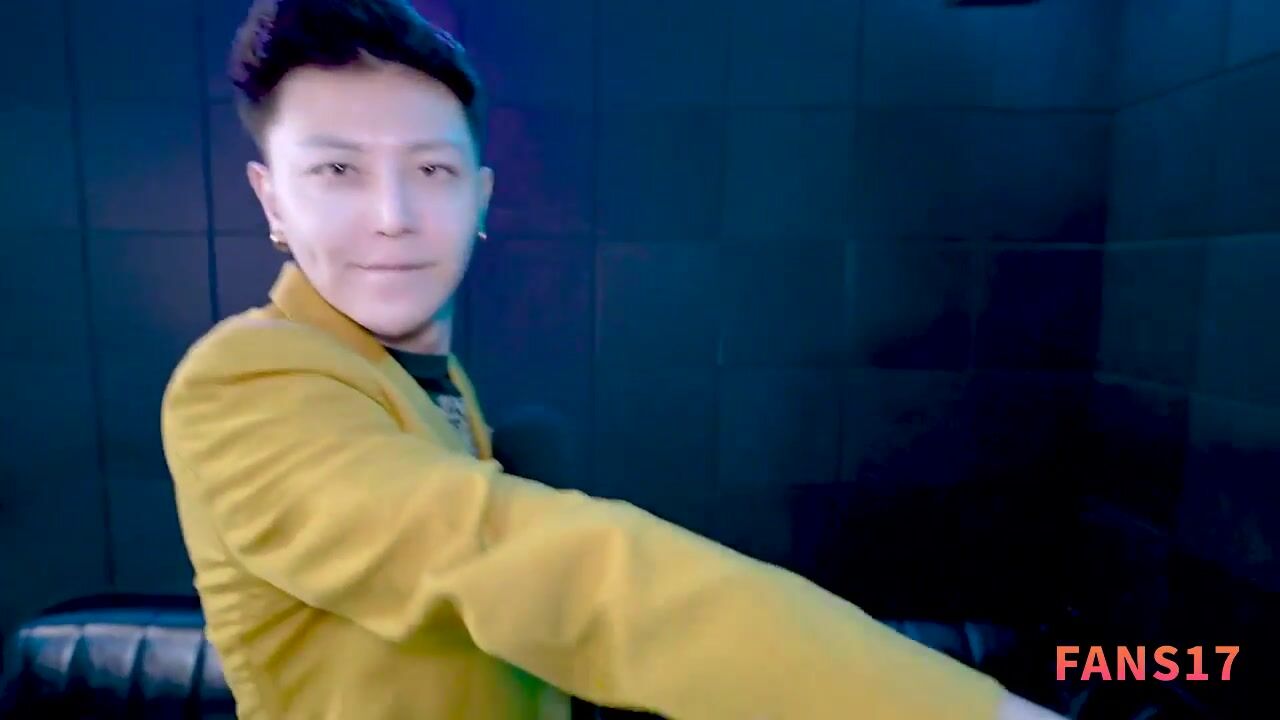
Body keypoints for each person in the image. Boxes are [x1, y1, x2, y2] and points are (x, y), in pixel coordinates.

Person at [160, 1, 1067, 718]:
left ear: (479, 198)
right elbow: (555, 570)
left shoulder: (424, 375)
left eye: (430, 170)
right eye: (337, 171)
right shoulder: (246, 382)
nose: (393, 216)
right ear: (270, 199)